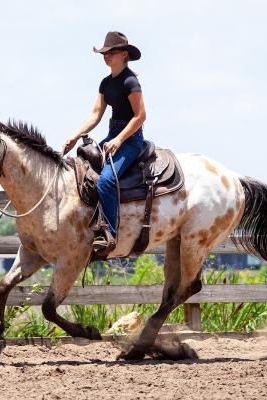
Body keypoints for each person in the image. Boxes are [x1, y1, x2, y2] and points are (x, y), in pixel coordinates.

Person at [63, 31, 147, 256]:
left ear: (123, 54)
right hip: (112, 135)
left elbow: (140, 116)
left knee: (106, 181)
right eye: (104, 52)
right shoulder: (105, 83)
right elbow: (95, 114)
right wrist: (75, 135)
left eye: (111, 52)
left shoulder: (130, 81)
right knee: (80, 170)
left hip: (130, 139)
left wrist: (120, 139)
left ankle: (110, 234)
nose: (106, 56)